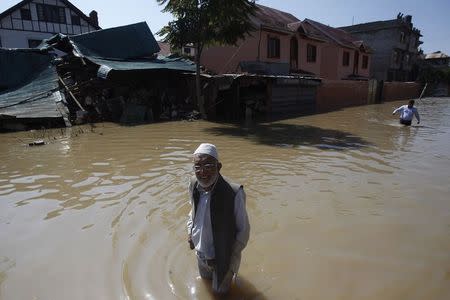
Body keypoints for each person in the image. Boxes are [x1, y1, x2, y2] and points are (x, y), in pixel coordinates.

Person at [187, 143, 250, 294]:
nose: (202, 172)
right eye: (198, 166)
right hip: (200, 254)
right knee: (205, 286)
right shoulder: (194, 184)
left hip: (222, 260)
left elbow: (244, 231)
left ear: (219, 166)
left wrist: (227, 258)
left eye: (208, 166)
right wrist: (190, 232)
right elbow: (192, 212)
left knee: (220, 294)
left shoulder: (234, 192)